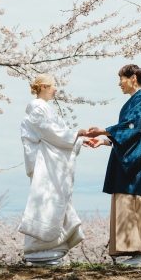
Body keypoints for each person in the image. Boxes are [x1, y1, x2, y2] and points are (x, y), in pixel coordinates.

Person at [81, 64, 141, 267]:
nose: (119, 84)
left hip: (138, 166)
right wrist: (105, 141)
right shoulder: (134, 103)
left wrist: (104, 130)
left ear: (133, 78)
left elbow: (134, 129)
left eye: (121, 79)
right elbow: (129, 135)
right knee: (129, 203)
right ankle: (136, 253)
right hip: (130, 161)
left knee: (137, 201)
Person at [18, 73, 85, 266]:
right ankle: (43, 249)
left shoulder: (44, 110)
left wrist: (78, 139)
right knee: (47, 203)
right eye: (54, 85)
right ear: (45, 87)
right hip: (45, 164)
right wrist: (75, 134)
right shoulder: (39, 111)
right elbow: (52, 133)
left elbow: (58, 134)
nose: (56, 89)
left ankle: (51, 248)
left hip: (49, 163)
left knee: (52, 202)